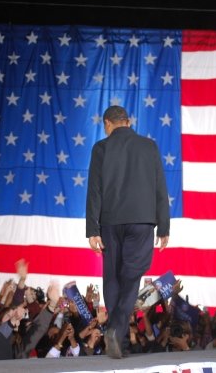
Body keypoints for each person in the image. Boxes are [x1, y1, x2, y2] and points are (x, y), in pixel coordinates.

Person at [85, 105, 170, 359]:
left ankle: (117, 336)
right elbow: (159, 189)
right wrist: (163, 227)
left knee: (112, 277)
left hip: (110, 222)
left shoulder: (100, 148)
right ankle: (116, 333)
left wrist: (92, 229)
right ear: (128, 122)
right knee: (131, 277)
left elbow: (94, 191)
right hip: (142, 222)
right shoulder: (149, 146)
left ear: (107, 124)